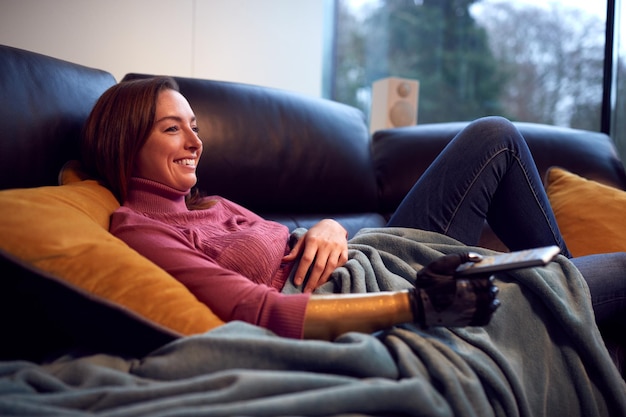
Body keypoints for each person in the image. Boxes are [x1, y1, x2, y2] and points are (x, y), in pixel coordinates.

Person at [80, 76, 624, 343]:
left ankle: (565, 290)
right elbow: (260, 311)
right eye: (173, 129)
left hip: (370, 249)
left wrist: (331, 224)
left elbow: (290, 237)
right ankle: (567, 293)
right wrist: (418, 307)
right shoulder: (138, 229)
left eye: (195, 127)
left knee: (495, 136)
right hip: (371, 290)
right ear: (126, 142)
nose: (196, 142)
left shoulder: (214, 203)